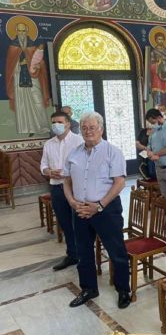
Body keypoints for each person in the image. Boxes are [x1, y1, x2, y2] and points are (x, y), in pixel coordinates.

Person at [62, 112, 131, 309]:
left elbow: (119, 183)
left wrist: (99, 205)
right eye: (84, 128)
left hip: (106, 210)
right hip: (80, 209)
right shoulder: (74, 153)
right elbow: (66, 181)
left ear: (101, 129)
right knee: (83, 251)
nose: (88, 131)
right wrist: (72, 202)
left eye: (92, 127)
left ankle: (123, 290)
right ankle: (88, 288)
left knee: (116, 251)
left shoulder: (112, 152)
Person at [40, 111, 84, 271]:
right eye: (53, 122)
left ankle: (85, 254)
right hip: (56, 187)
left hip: (74, 187)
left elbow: (84, 164)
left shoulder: (79, 141)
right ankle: (72, 255)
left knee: (79, 222)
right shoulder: (49, 144)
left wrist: (68, 173)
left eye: (59, 122)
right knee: (65, 223)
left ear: (68, 124)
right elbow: (43, 165)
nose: (56, 125)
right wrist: (49, 172)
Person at [5, 22, 50, 136]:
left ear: (27, 31)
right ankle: (26, 128)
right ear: (16, 31)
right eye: (19, 31)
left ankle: (43, 126)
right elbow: (10, 66)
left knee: (38, 101)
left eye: (23, 31)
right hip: (18, 78)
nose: (21, 33)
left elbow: (40, 61)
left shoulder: (32, 46)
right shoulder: (12, 46)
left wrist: (39, 65)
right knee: (22, 104)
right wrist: (19, 65)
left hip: (34, 77)